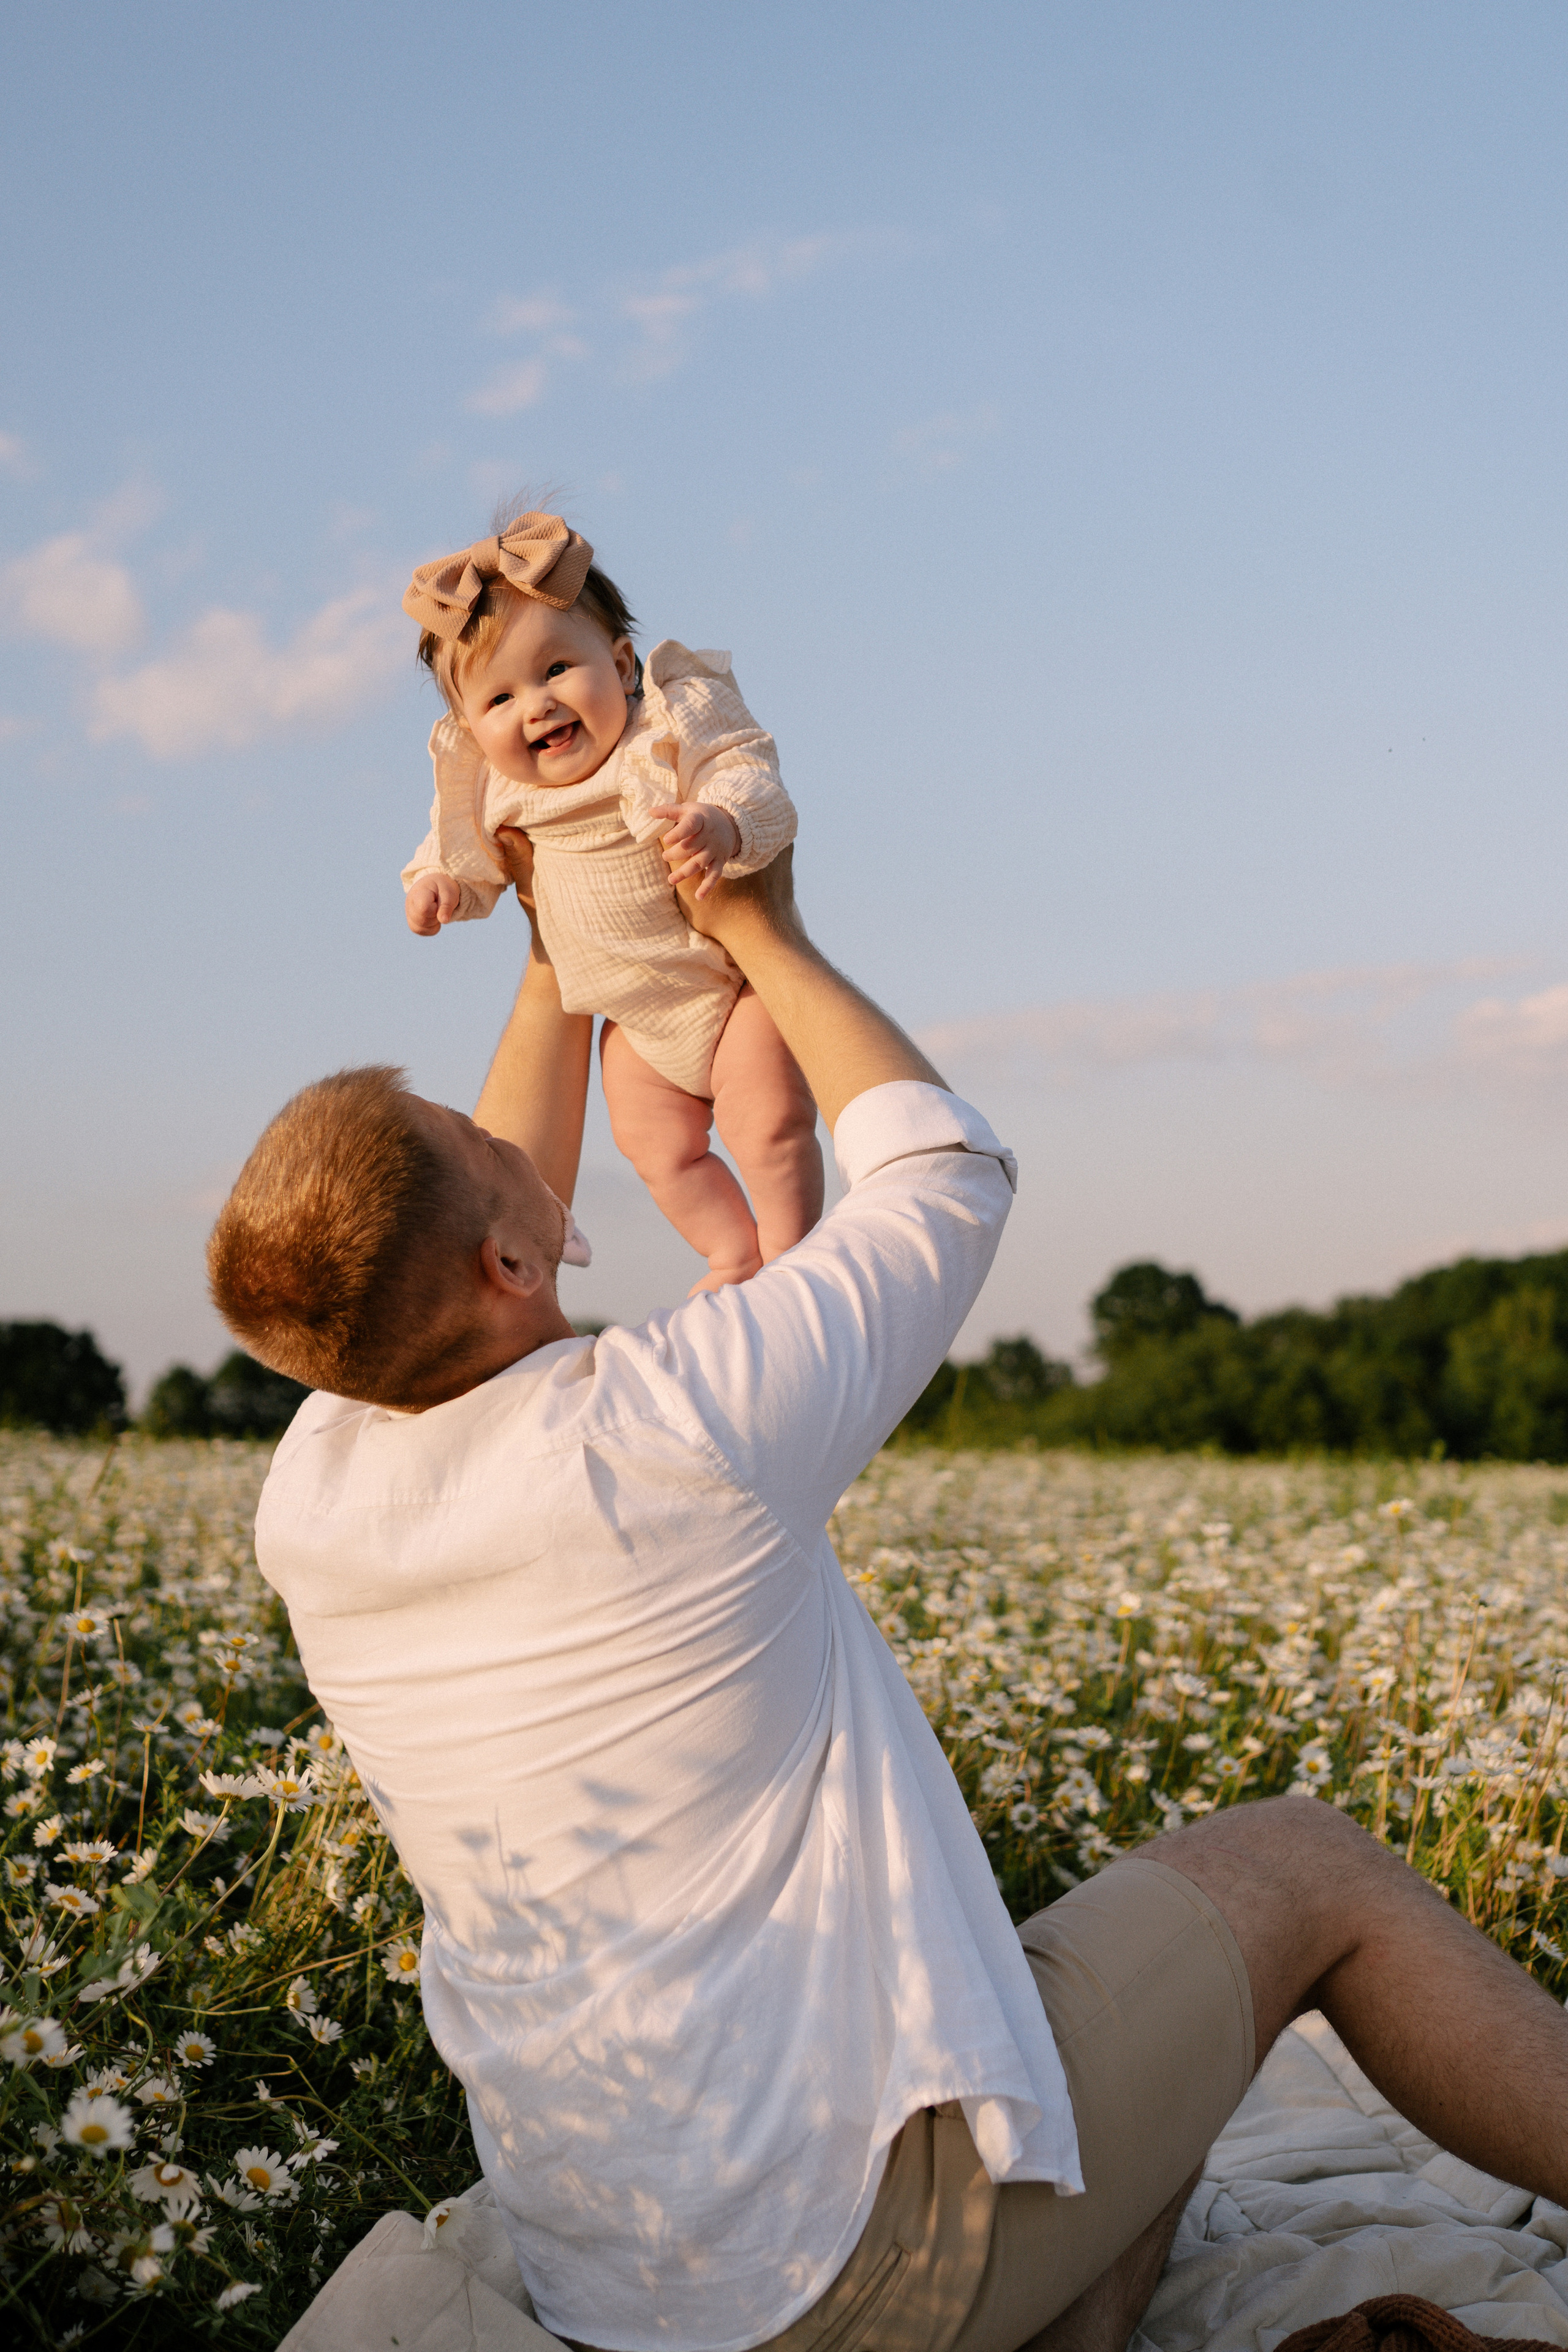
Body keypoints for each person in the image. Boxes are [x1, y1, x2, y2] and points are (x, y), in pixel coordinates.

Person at [209, 843, 1568, 2352]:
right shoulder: (679, 1427)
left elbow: (460, 1227)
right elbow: (944, 1167)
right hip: (847, 2271)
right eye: (468, 1127)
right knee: (1304, 1866)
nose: (501, 1117)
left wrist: (560, 952)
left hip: (629, 2279)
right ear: (513, 1252)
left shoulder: (317, 1488)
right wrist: (756, 927)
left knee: (1101, 2007)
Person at [399, 503, 822, 1292]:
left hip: (727, 990)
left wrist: (721, 823)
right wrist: (440, 886)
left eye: (558, 669)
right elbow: (458, 848)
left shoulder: (661, 729)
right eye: (498, 700)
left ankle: (796, 1260)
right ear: (468, 727)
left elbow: (746, 770)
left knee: (769, 1125)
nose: (536, 705)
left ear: (624, 667)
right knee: (658, 1153)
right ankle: (733, 1255)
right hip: (633, 1027)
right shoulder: (494, 793)